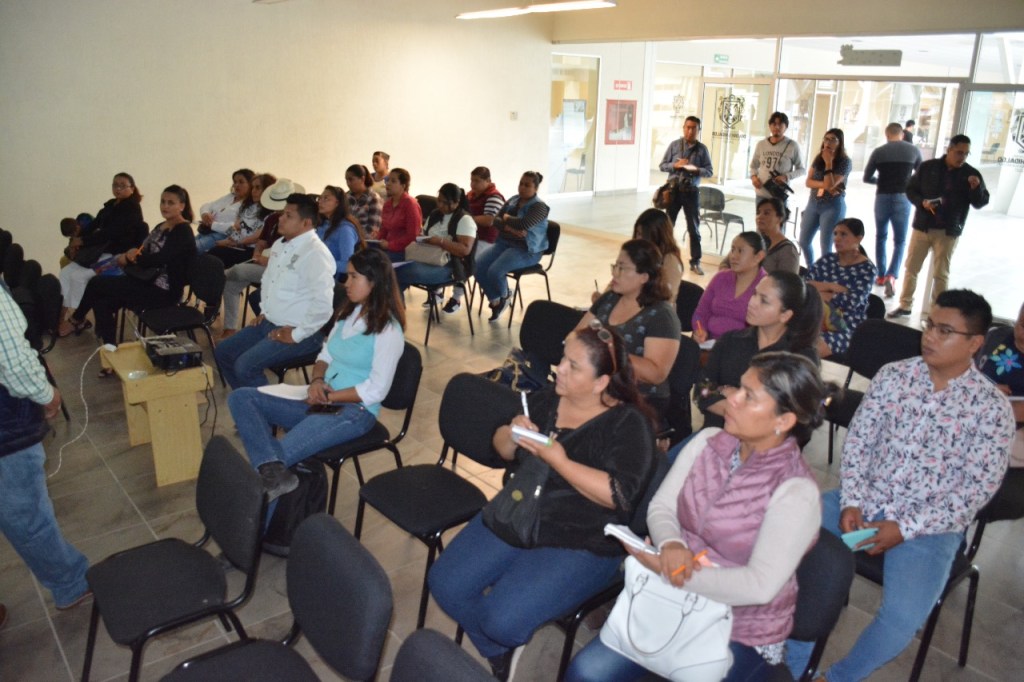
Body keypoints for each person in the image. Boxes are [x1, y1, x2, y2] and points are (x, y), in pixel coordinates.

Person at [787, 289, 1015, 682]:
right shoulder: (894, 376)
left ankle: (836, 678)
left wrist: (904, 528)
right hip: (861, 503)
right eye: (930, 325)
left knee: (902, 618)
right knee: (786, 549)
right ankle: (793, 669)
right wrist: (851, 501)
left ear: (975, 343)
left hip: (929, 529)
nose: (930, 336)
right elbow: (859, 443)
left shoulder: (992, 410)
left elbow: (973, 493)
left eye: (945, 331)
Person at [567, 351, 834, 682]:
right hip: (671, 596)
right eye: (738, 387)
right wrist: (672, 544)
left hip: (740, 627)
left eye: (748, 396)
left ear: (784, 421)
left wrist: (672, 571)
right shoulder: (708, 443)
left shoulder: (795, 492)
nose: (731, 398)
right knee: (585, 673)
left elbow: (759, 587)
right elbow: (662, 507)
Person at [428, 324, 658, 681]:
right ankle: (500, 652)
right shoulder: (550, 399)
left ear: (601, 382)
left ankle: (505, 637)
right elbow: (501, 448)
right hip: (521, 512)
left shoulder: (628, 424)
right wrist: (512, 434)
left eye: (573, 366)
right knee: (445, 583)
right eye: (563, 358)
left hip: (583, 538)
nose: (559, 368)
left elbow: (619, 495)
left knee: (500, 620)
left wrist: (559, 460)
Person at [228, 247, 405, 500]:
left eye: (354, 277)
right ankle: (272, 474)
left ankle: (268, 487)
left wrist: (329, 397)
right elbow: (325, 355)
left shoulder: (388, 330)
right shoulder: (349, 314)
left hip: (355, 411)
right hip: (322, 399)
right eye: (348, 275)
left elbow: (376, 390)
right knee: (241, 398)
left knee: (279, 457)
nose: (346, 283)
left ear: (374, 282)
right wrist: (317, 381)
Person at [0, 284, 92, 612]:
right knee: (26, 512)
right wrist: (46, 393)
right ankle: (71, 583)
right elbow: (13, 361)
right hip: (6, 426)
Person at [214, 192, 335, 389]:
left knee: (245, 366)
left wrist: (296, 335)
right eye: (282, 213)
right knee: (223, 352)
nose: (281, 219)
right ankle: (249, 401)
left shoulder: (316, 254)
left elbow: (323, 306)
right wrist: (264, 311)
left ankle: (263, 407)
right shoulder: (280, 244)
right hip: (270, 322)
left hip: (303, 332)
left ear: (306, 223)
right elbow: (269, 281)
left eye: (288, 215)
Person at [65, 185, 199, 354]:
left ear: (182, 206)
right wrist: (132, 253)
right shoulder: (161, 226)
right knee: (101, 301)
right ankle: (110, 350)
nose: (165, 206)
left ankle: (78, 319)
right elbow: (144, 250)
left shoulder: (183, 230)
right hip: (145, 280)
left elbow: (160, 259)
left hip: (163, 290)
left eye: (170, 203)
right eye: (163, 202)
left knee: (96, 283)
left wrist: (130, 258)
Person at [697, 272, 822, 429]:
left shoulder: (800, 358)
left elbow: (797, 416)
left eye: (764, 301)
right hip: (716, 431)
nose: (752, 302)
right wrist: (741, 409)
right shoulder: (730, 340)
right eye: (754, 294)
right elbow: (702, 389)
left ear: (785, 315)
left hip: (767, 440)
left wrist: (725, 392)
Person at [889, 134, 989, 318]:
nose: (962, 157)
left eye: (966, 153)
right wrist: (922, 202)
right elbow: (910, 189)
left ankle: (937, 312)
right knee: (911, 268)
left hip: (948, 231)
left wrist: (977, 189)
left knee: (941, 274)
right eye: (959, 152)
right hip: (922, 227)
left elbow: (980, 202)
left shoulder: (970, 173)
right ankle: (905, 304)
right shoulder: (929, 167)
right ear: (949, 150)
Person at [579, 239, 681, 417]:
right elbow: (576, 335)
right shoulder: (609, 299)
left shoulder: (661, 315)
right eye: (615, 266)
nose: (614, 274)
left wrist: (609, 351)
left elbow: (655, 374)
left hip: (640, 398)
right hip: (600, 385)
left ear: (644, 277)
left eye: (622, 268)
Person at [58, 173, 147, 336]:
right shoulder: (111, 205)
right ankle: (63, 315)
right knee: (65, 273)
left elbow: (110, 233)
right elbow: (93, 225)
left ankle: (78, 318)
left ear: (132, 188)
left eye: (122, 185)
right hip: (101, 252)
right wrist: (76, 240)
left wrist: (83, 241)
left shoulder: (132, 208)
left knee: (79, 277)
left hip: (118, 256)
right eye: (115, 185)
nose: (118, 188)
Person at [219, 178, 301, 339]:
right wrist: (257, 254)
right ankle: (230, 328)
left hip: (281, 270)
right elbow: (261, 242)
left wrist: (268, 261)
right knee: (231, 284)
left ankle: (220, 276)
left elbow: (293, 258)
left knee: (237, 271)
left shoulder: (297, 225)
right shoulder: (271, 219)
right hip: (265, 264)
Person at [475, 171, 550, 322]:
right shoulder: (513, 200)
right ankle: (496, 300)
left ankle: (505, 295)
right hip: (504, 243)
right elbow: (495, 221)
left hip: (527, 250)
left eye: (527, 185)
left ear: (536, 188)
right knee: (477, 266)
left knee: (495, 271)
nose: (522, 187)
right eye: (521, 184)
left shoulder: (539, 207)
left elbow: (524, 224)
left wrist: (507, 217)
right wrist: (510, 227)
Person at [864, 122, 922, 298]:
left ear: (887, 135)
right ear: (902, 134)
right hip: (903, 197)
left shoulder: (879, 152)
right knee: (900, 240)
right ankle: (892, 274)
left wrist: (880, 181)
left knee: (881, 236)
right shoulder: (913, 150)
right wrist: (908, 183)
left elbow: (867, 177)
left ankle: (881, 275)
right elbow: (921, 175)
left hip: (882, 197)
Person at [805, 218, 876, 358]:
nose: (837, 238)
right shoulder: (827, 260)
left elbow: (851, 302)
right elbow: (803, 285)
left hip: (845, 326)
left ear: (859, 238)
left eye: (843, 234)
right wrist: (831, 286)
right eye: (835, 234)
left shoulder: (867, 269)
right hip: (815, 317)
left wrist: (818, 292)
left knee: (809, 349)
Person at [441, 167, 505, 314]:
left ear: (488, 181)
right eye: (471, 180)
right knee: (444, 252)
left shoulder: (494, 197)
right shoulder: (471, 195)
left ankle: (456, 299)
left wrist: (466, 219)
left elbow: (489, 220)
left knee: (465, 260)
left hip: (487, 240)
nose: (472, 184)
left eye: (477, 181)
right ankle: (437, 292)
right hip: (468, 236)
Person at [395, 182, 475, 299]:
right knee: (392, 267)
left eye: (445, 203)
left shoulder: (464, 219)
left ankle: (394, 305)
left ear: (456, 203)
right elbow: (424, 234)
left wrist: (440, 242)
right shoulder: (435, 214)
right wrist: (422, 237)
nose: (440, 205)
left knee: (404, 272)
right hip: (427, 257)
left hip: (449, 266)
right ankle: (394, 305)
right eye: (439, 201)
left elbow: (464, 250)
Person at [658, 115, 714, 275]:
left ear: (698, 130)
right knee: (668, 227)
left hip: (691, 192)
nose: (690, 131)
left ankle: (695, 262)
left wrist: (696, 170)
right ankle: (662, 259)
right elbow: (662, 165)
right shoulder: (674, 145)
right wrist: (675, 165)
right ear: (683, 128)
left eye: (694, 128)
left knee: (694, 229)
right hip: (673, 191)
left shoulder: (702, 149)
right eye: (688, 127)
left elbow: (709, 171)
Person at [977, 301, 1024, 484]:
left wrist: (995, 401)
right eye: (1022, 324)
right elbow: (968, 372)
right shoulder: (997, 337)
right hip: (979, 410)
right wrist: (986, 390)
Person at [692, 232, 767, 342]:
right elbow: (700, 313)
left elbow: (765, 331)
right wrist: (700, 330)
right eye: (732, 250)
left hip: (742, 348)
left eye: (740, 251)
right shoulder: (720, 278)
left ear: (758, 256)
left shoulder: (766, 286)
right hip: (709, 343)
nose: (733, 256)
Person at [798, 128, 851, 266]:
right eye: (826, 139)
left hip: (832, 206)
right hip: (813, 203)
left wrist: (828, 163)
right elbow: (809, 182)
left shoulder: (845, 161)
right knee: (803, 241)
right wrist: (825, 184)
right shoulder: (818, 158)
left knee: (825, 245)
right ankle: (812, 269)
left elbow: (832, 184)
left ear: (840, 143)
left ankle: (825, 273)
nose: (828, 142)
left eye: (833, 140)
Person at [208, 172, 277, 268]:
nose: (253, 191)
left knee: (215, 254)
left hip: (253, 251)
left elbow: (257, 237)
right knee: (211, 253)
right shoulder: (248, 207)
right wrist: (230, 240)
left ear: (267, 190)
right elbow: (235, 226)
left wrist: (235, 243)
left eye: (258, 188)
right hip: (239, 245)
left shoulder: (272, 214)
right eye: (252, 188)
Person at [749, 111, 806, 202]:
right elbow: (753, 166)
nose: (777, 127)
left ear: (786, 127)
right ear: (769, 126)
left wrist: (786, 177)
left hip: (778, 195)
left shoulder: (792, 146)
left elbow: (802, 170)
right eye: (774, 124)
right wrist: (753, 178)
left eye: (780, 124)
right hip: (761, 193)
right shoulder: (761, 144)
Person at [195, 168, 255, 252]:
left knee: (190, 249)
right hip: (206, 231)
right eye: (235, 182)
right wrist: (205, 214)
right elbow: (208, 205)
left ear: (250, 184)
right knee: (184, 246)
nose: (236, 185)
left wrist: (212, 225)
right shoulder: (229, 197)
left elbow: (236, 226)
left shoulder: (251, 206)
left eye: (241, 182)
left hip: (222, 236)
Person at [316, 185, 365, 279]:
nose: (320, 202)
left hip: (334, 280)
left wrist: (322, 264)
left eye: (326, 198)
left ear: (337, 203)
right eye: (320, 198)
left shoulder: (345, 229)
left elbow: (347, 265)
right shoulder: (322, 225)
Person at [377, 168, 422, 262]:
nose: (388, 184)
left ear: (403, 185)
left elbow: (412, 236)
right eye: (388, 180)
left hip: (404, 250)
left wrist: (390, 245)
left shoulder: (410, 204)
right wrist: (377, 239)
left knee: (376, 261)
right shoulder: (387, 204)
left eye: (393, 181)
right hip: (388, 247)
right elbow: (384, 229)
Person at [755, 197, 800, 274]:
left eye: (766, 213)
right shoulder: (756, 243)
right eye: (758, 213)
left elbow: (788, 281)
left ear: (779, 218)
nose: (760, 217)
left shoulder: (788, 251)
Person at [345, 164, 383, 237]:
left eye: (351, 179)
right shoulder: (346, 197)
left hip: (364, 241)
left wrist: (351, 236)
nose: (348, 183)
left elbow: (372, 231)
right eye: (346, 180)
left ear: (362, 179)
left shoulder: (373, 199)